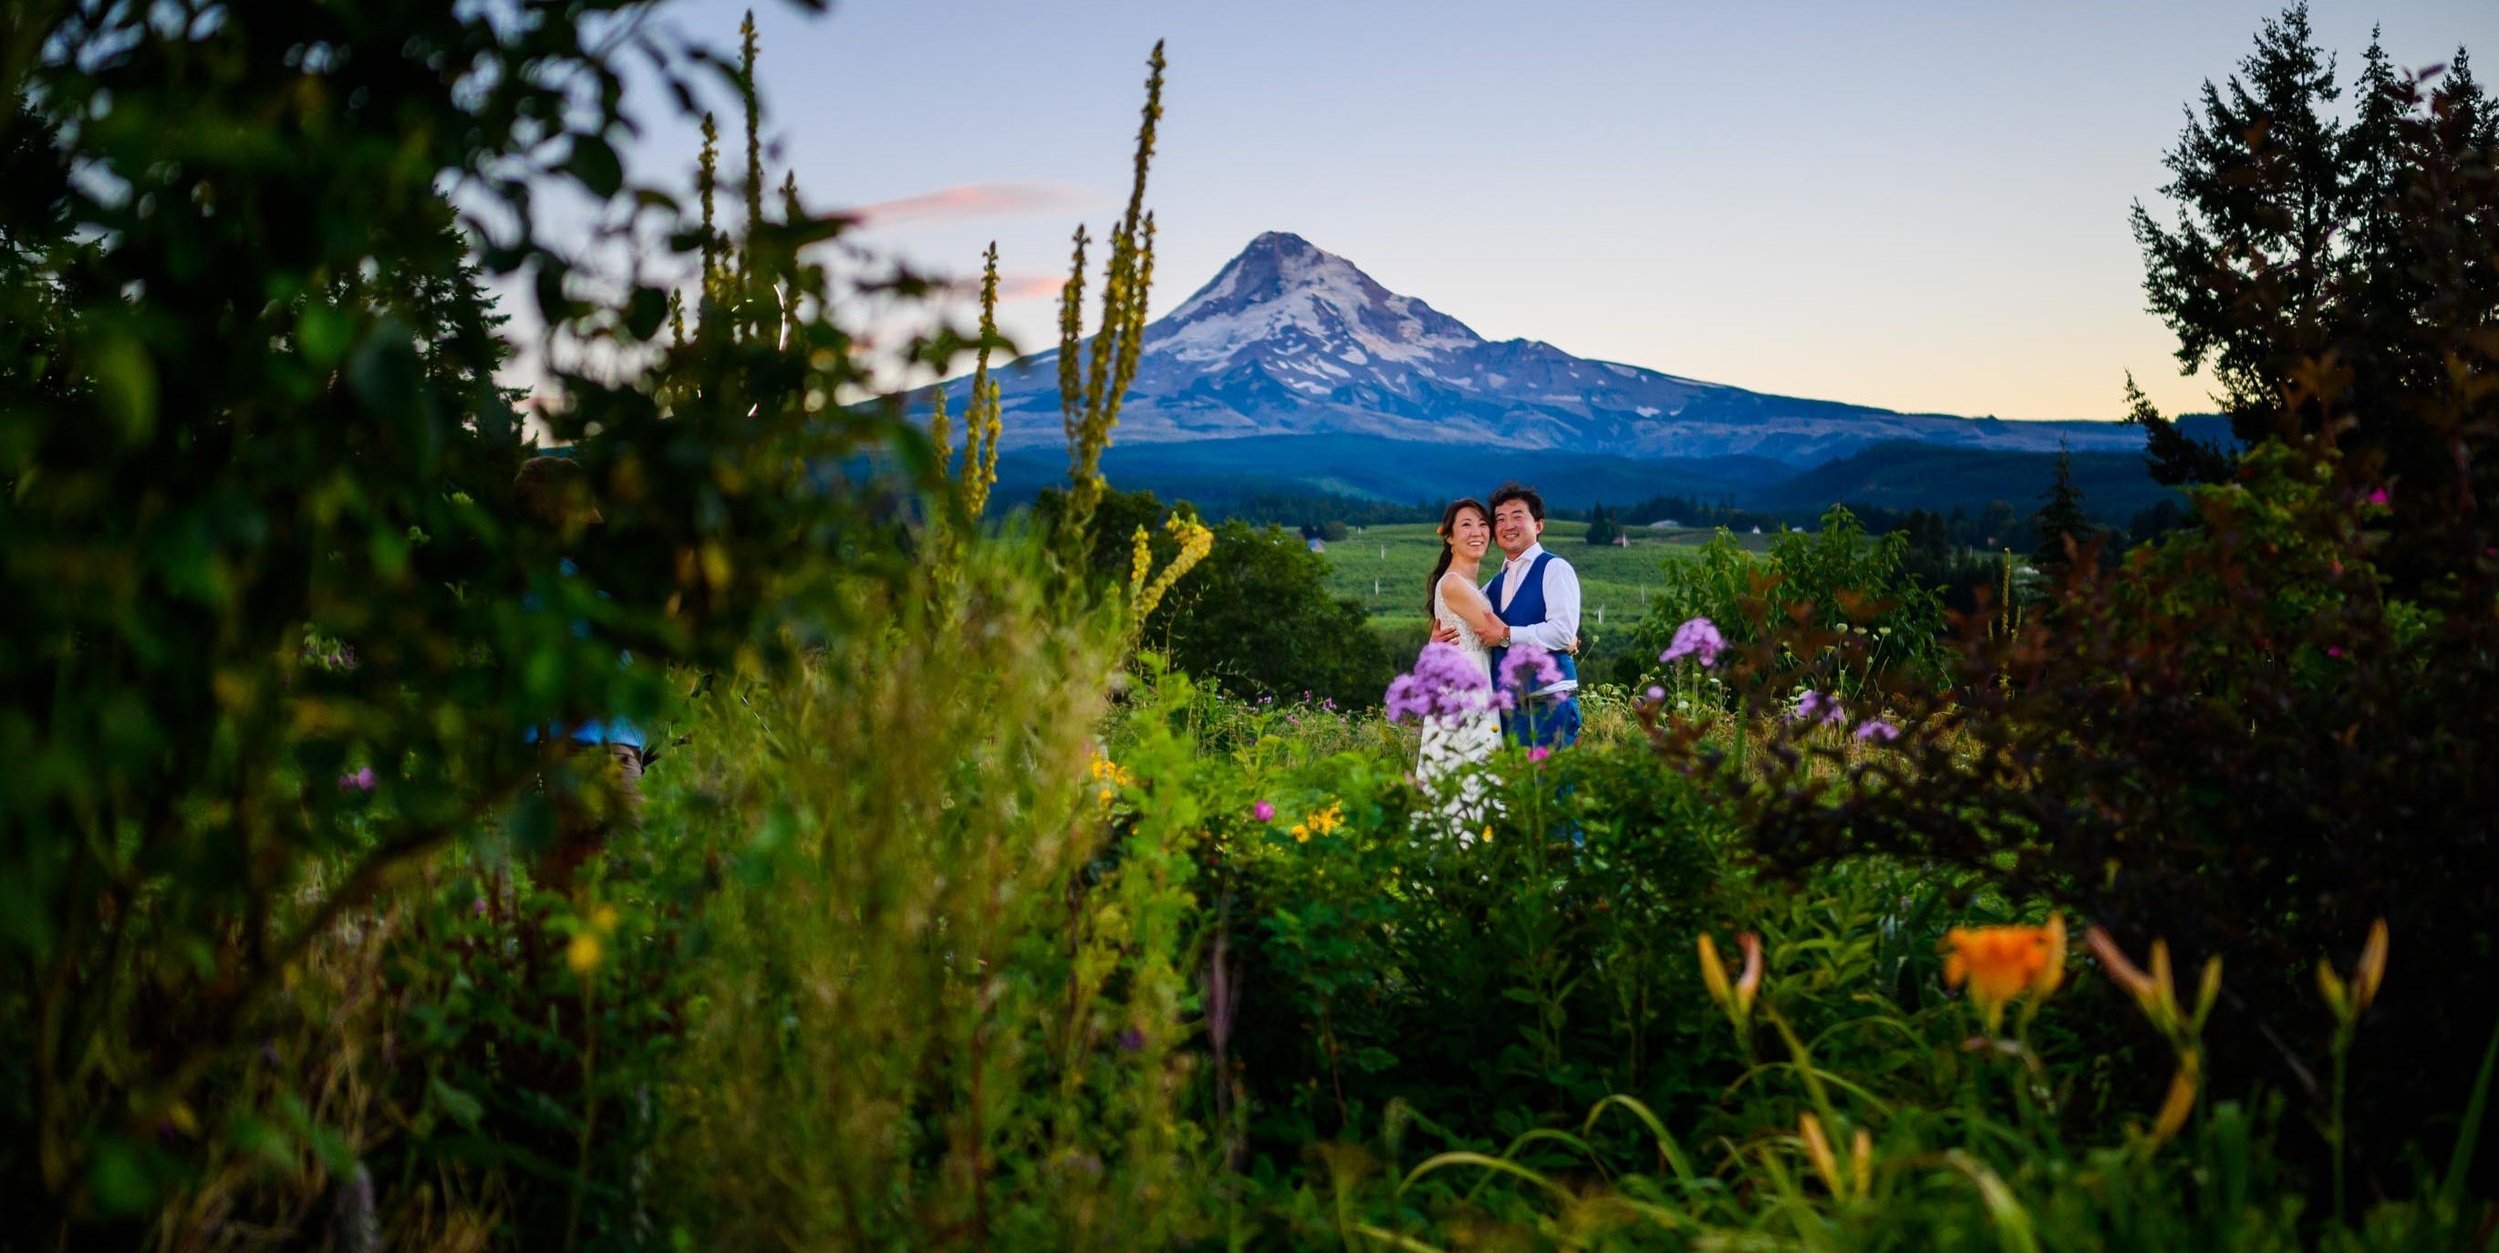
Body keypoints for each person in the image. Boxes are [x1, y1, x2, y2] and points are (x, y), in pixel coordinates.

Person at [513, 455, 644, 893]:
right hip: (602, 761)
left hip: (574, 764)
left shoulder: (541, 588)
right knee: (615, 911)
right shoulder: (586, 585)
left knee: (562, 921)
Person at [1438, 482, 1582, 749]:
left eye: (1518, 517)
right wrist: (1436, 640)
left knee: (1553, 786)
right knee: (1518, 789)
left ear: (1539, 525)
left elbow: (1563, 631)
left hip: (1549, 700)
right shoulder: (1493, 586)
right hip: (1506, 708)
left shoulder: (1555, 569)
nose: (1508, 525)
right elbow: (1462, 621)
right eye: (1500, 519)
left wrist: (1507, 634)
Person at [1415, 498, 1508, 825]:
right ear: (1449, 536)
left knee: (1472, 771)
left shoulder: (1472, 585)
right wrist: (1560, 638)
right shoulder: (1454, 583)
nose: (1478, 532)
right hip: (1464, 691)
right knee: (1465, 769)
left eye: (1483, 524)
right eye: (1466, 524)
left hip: (1472, 682)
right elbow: (1496, 628)